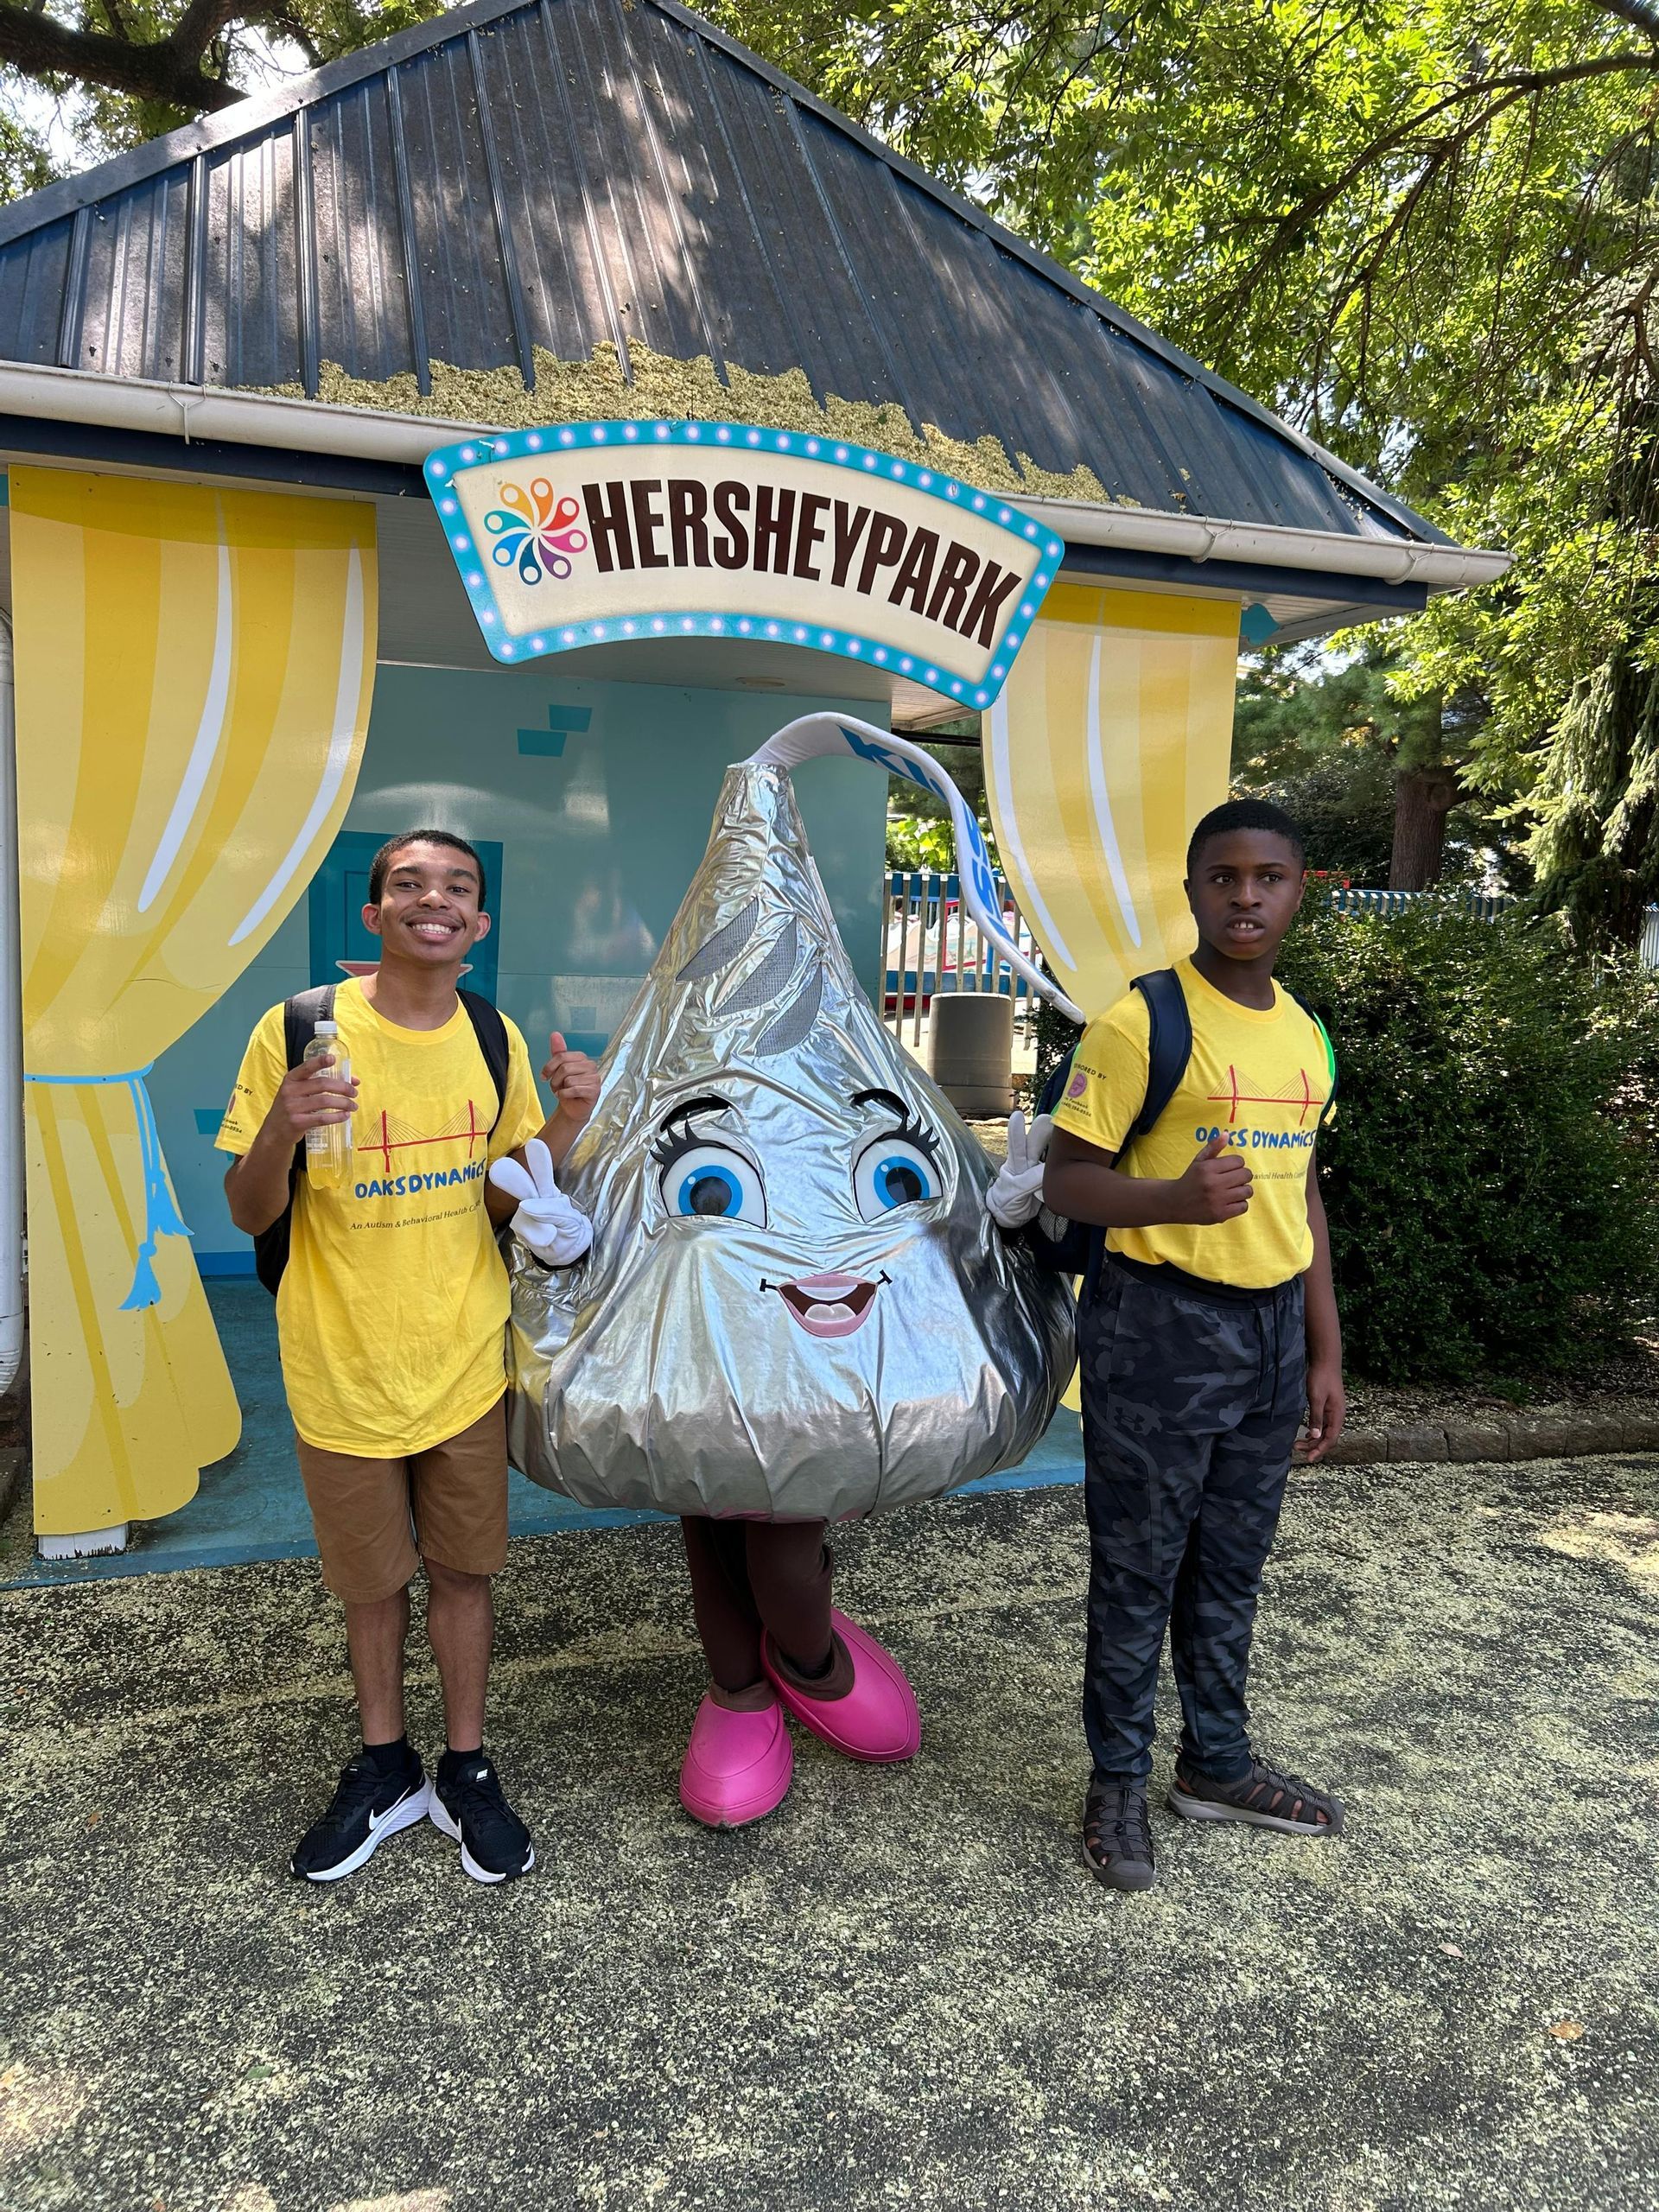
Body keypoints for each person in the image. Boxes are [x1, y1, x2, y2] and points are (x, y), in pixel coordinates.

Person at [219, 830, 598, 1885]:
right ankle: (385, 1767)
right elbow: (250, 1207)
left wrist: (569, 1117)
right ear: (374, 914)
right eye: (408, 884)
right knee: (370, 1585)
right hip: (341, 1364)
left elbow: (508, 1192)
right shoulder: (300, 1032)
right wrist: (284, 1129)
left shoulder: (493, 1035)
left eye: (457, 888)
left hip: (463, 1361)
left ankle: (466, 1768)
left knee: (465, 1573)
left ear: (476, 925)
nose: (433, 898)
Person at [1043, 798, 1346, 1894]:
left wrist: (1323, 1351)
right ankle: (1115, 1784)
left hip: (1268, 1339)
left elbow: (1305, 1194)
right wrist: (1172, 1193)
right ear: (1193, 893)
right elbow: (1064, 1177)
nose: (1246, 897)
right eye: (1224, 878)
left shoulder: (1305, 1033)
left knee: (1230, 1572)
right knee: (1137, 1572)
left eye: (1269, 877)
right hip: (1159, 1328)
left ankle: (1216, 1763)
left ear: (1298, 890)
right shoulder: (1141, 1022)